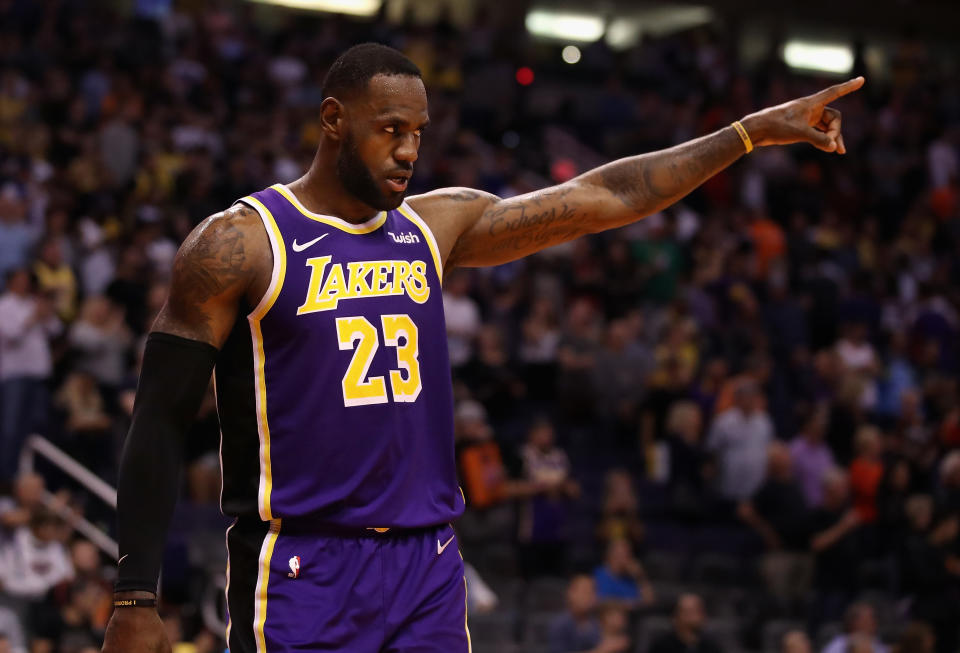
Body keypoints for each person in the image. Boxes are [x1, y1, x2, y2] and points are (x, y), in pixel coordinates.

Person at [103, 42, 864, 653]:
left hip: (427, 561)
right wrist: (136, 597)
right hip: (304, 561)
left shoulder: (436, 227)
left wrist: (749, 133)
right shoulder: (242, 243)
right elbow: (160, 421)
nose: (408, 150)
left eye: (419, 132)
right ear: (334, 120)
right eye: (389, 129)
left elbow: (609, 197)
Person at [547, 575, 629, 653]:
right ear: (571, 594)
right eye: (585, 591)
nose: (590, 596)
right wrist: (600, 651)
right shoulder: (560, 625)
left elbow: (601, 644)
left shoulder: (595, 622)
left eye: (593, 591)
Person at [648, 593, 722, 653]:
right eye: (690, 612)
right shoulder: (662, 646)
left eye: (700, 611)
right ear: (675, 617)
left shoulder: (711, 647)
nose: (697, 616)